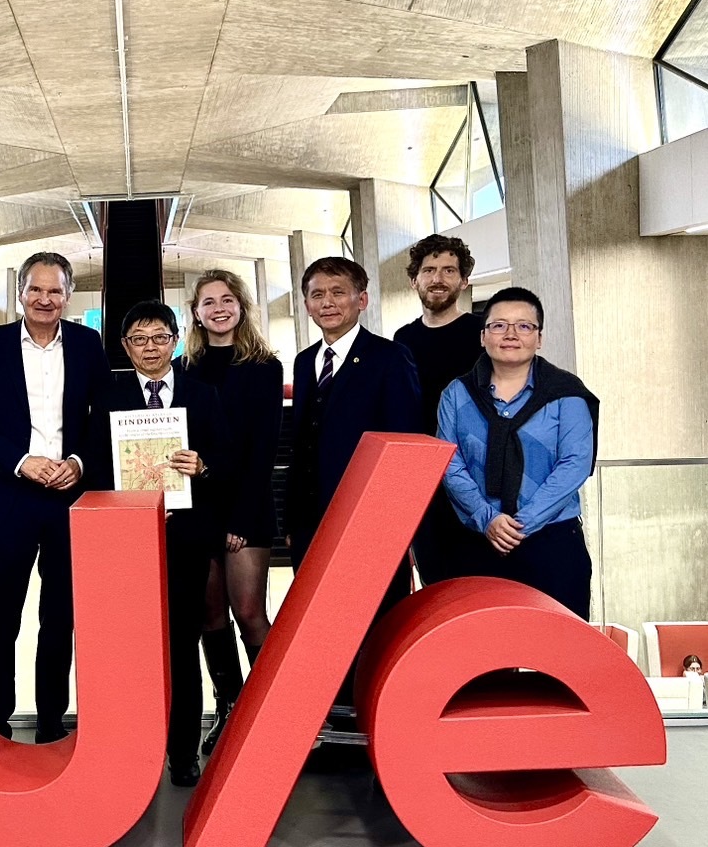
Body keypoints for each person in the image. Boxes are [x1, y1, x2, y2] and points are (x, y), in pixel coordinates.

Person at [0, 251, 111, 743]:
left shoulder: (88, 344)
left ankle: (50, 721)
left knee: (59, 614)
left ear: (68, 295)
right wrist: (21, 460)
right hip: (10, 496)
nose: (45, 299)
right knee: (2, 612)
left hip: (69, 498)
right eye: (35, 289)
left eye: (55, 291)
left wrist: (79, 464)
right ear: (20, 293)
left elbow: (103, 417)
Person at [102, 302, 224, 786]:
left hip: (187, 539)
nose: (149, 347)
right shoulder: (107, 397)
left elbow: (228, 458)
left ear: (175, 339)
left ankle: (182, 752)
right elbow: (95, 459)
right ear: (125, 346)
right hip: (127, 540)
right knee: (130, 647)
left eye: (159, 337)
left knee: (181, 642)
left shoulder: (203, 394)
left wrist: (204, 467)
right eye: (138, 338)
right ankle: (132, 746)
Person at [437, 287, 599, 620]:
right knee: (483, 651)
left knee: (560, 650)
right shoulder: (456, 394)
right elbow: (449, 463)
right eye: (499, 326)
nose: (511, 334)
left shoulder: (566, 394)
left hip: (553, 542)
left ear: (539, 338)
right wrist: (488, 519)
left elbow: (575, 464)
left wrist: (519, 525)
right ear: (483, 336)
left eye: (524, 326)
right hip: (477, 542)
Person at [180, 268, 281, 756]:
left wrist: (241, 521)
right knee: (209, 616)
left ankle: (269, 713)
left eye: (227, 299)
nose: (218, 309)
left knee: (249, 612)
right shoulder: (184, 369)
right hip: (198, 508)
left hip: (246, 507)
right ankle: (230, 708)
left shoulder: (265, 367)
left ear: (241, 306)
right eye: (208, 302)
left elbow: (262, 453)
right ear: (196, 314)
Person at [287, 257, 423, 575]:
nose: (328, 302)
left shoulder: (390, 358)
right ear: (306, 304)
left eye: (338, 292)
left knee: (376, 620)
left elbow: (405, 448)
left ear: (361, 299)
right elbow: (301, 444)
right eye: (317, 294)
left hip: (369, 523)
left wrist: (398, 529)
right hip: (310, 523)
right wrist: (293, 521)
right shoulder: (304, 362)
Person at [392, 235, 485, 586]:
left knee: (478, 582)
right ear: (414, 279)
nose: (438, 278)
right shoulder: (403, 340)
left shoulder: (482, 334)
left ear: (464, 281)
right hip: (425, 481)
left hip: (476, 478)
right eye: (429, 270)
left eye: (449, 270)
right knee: (436, 581)